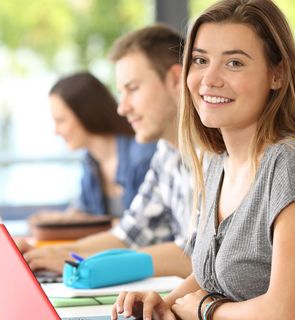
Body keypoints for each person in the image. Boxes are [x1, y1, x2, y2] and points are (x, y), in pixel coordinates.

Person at [112, 1, 295, 319]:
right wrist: (163, 303)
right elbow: (214, 275)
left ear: (276, 74)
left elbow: (284, 313)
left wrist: (206, 310)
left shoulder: (292, 165)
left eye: (234, 63)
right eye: (200, 60)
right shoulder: (215, 163)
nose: (209, 79)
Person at [19, 24, 193, 278]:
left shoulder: (217, 155)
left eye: (133, 88)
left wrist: (79, 261)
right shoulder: (166, 155)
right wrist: (58, 253)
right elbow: (128, 235)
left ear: (176, 80)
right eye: (120, 92)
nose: (122, 108)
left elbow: (198, 257)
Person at [29, 72, 156, 229]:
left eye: (60, 120)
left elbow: (143, 228)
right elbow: (83, 211)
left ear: (86, 114)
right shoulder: (91, 162)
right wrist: (58, 219)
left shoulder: (144, 156)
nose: (56, 131)